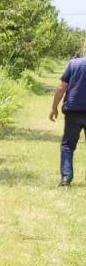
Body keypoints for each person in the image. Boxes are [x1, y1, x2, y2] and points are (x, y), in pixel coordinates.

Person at [50, 44, 86, 187]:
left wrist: (54, 107)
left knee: (67, 145)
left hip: (73, 111)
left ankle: (66, 178)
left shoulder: (73, 64)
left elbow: (61, 88)